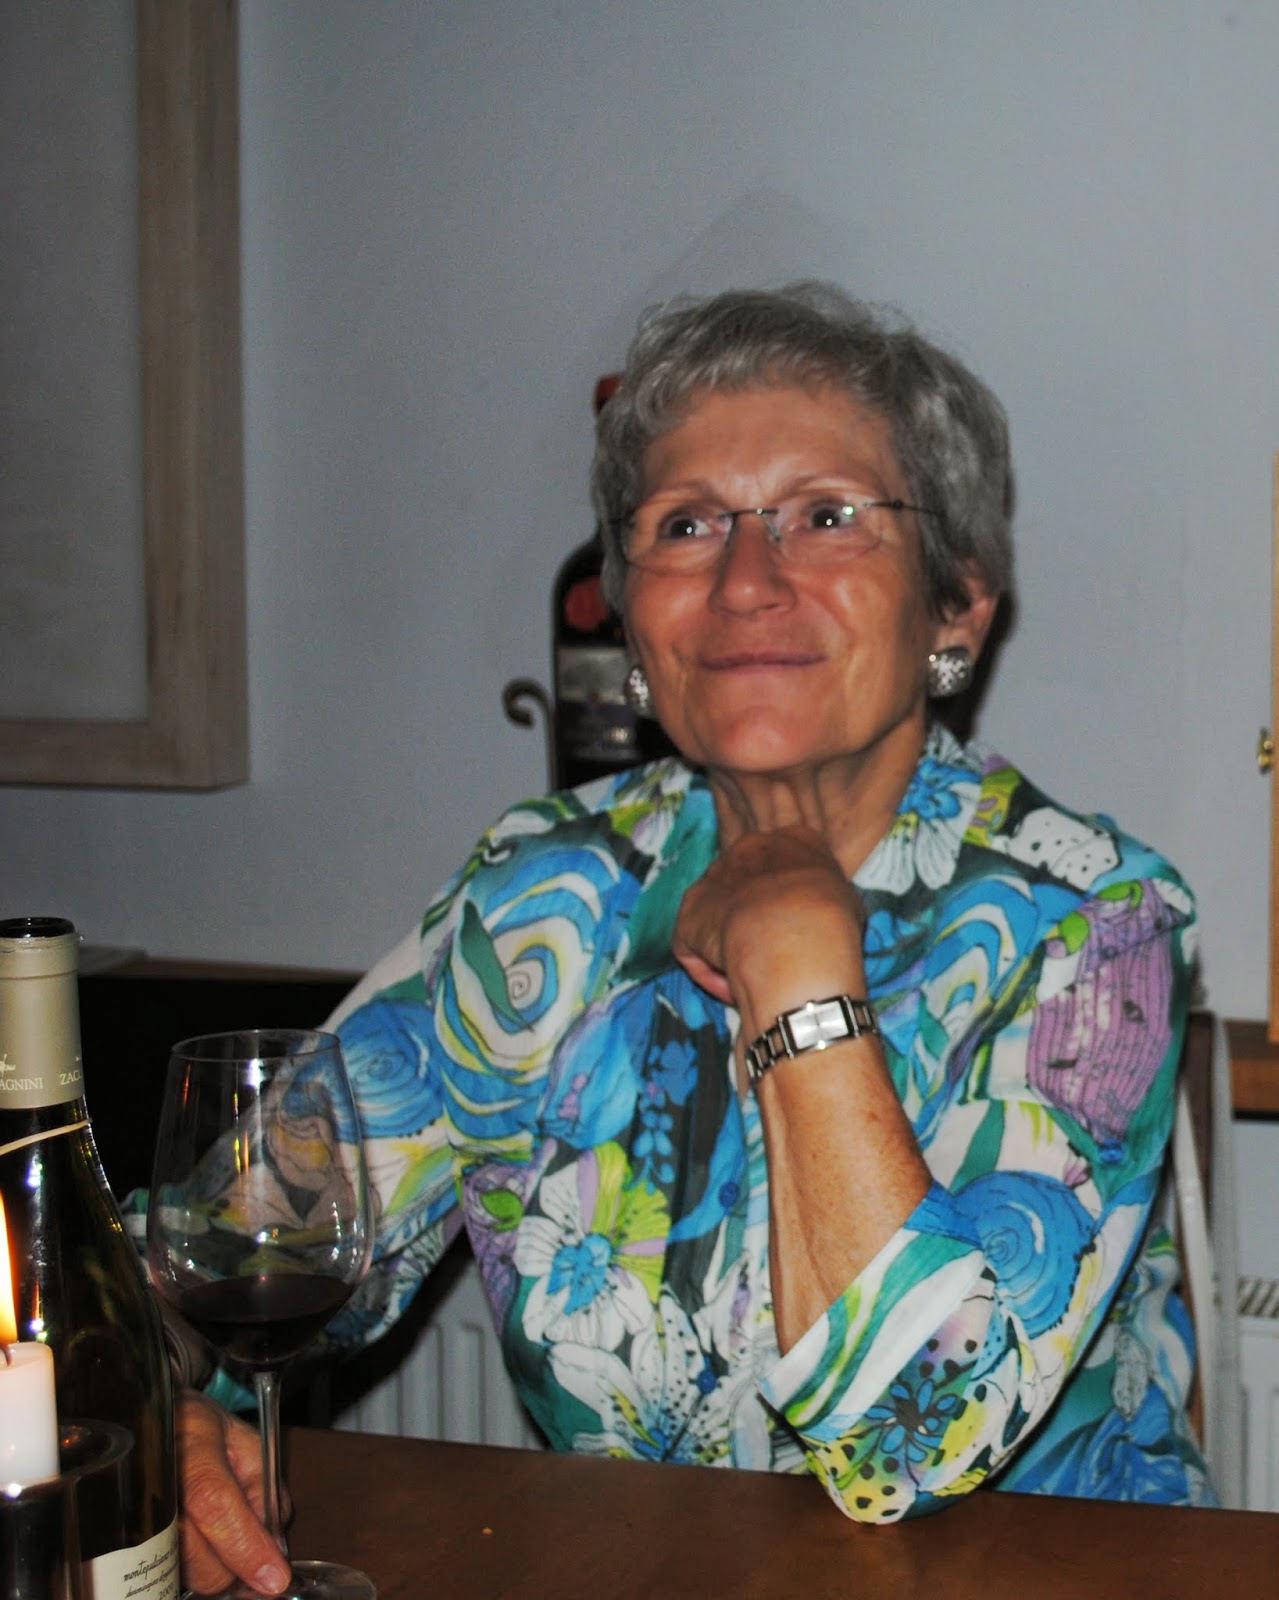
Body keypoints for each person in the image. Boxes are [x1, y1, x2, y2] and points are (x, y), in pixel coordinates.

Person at [175, 284, 1208, 1595]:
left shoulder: (1094, 925)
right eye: (686, 524)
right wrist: (157, 1399)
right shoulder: (546, 893)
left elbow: (911, 1442)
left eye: (826, 515)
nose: (746, 580)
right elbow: (229, 1248)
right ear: (631, 620)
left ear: (956, 606)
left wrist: (791, 953)